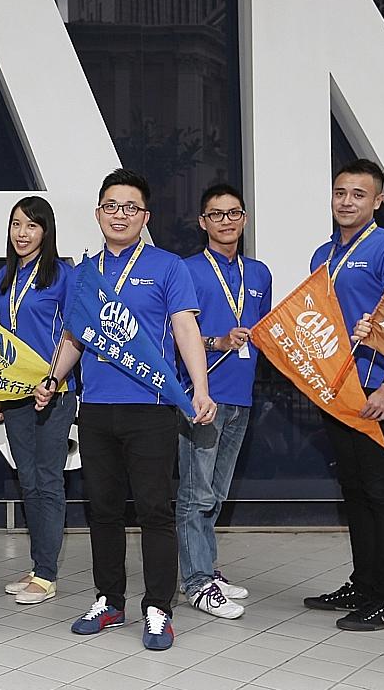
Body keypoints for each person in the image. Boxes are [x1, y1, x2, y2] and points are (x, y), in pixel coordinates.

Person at [38, 168, 216, 651]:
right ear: (98, 213)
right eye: (112, 206)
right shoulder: (84, 273)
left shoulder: (167, 267)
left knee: (156, 512)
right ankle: (108, 600)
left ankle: (158, 609)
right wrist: (53, 379)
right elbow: (75, 336)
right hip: (95, 410)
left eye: (130, 207)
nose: (120, 215)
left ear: (146, 216)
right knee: (103, 511)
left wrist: (199, 388)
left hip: (152, 409)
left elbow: (185, 331)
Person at [303, 158, 384, 631]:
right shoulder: (322, 254)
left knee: (383, 493)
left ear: (378, 201)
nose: (347, 202)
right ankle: (363, 584)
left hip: (376, 388)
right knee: (354, 491)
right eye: (340, 193)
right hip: (338, 389)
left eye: (358, 195)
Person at [177, 183, 272, 620]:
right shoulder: (187, 271)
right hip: (204, 397)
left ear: (244, 219)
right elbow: (180, 335)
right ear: (202, 222)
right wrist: (217, 341)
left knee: (215, 493)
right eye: (216, 215)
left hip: (242, 395)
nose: (226, 221)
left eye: (233, 213)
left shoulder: (260, 274)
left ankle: (205, 570)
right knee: (195, 493)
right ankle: (195, 581)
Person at [0, 196, 75, 606]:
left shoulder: (62, 275)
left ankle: (47, 574)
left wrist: (52, 379)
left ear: (46, 231)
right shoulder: (4, 279)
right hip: (16, 396)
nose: (22, 234)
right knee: (28, 481)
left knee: (48, 481)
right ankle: (39, 566)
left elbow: (72, 335)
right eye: (16, 225)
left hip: (53, 393)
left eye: (31, 226)